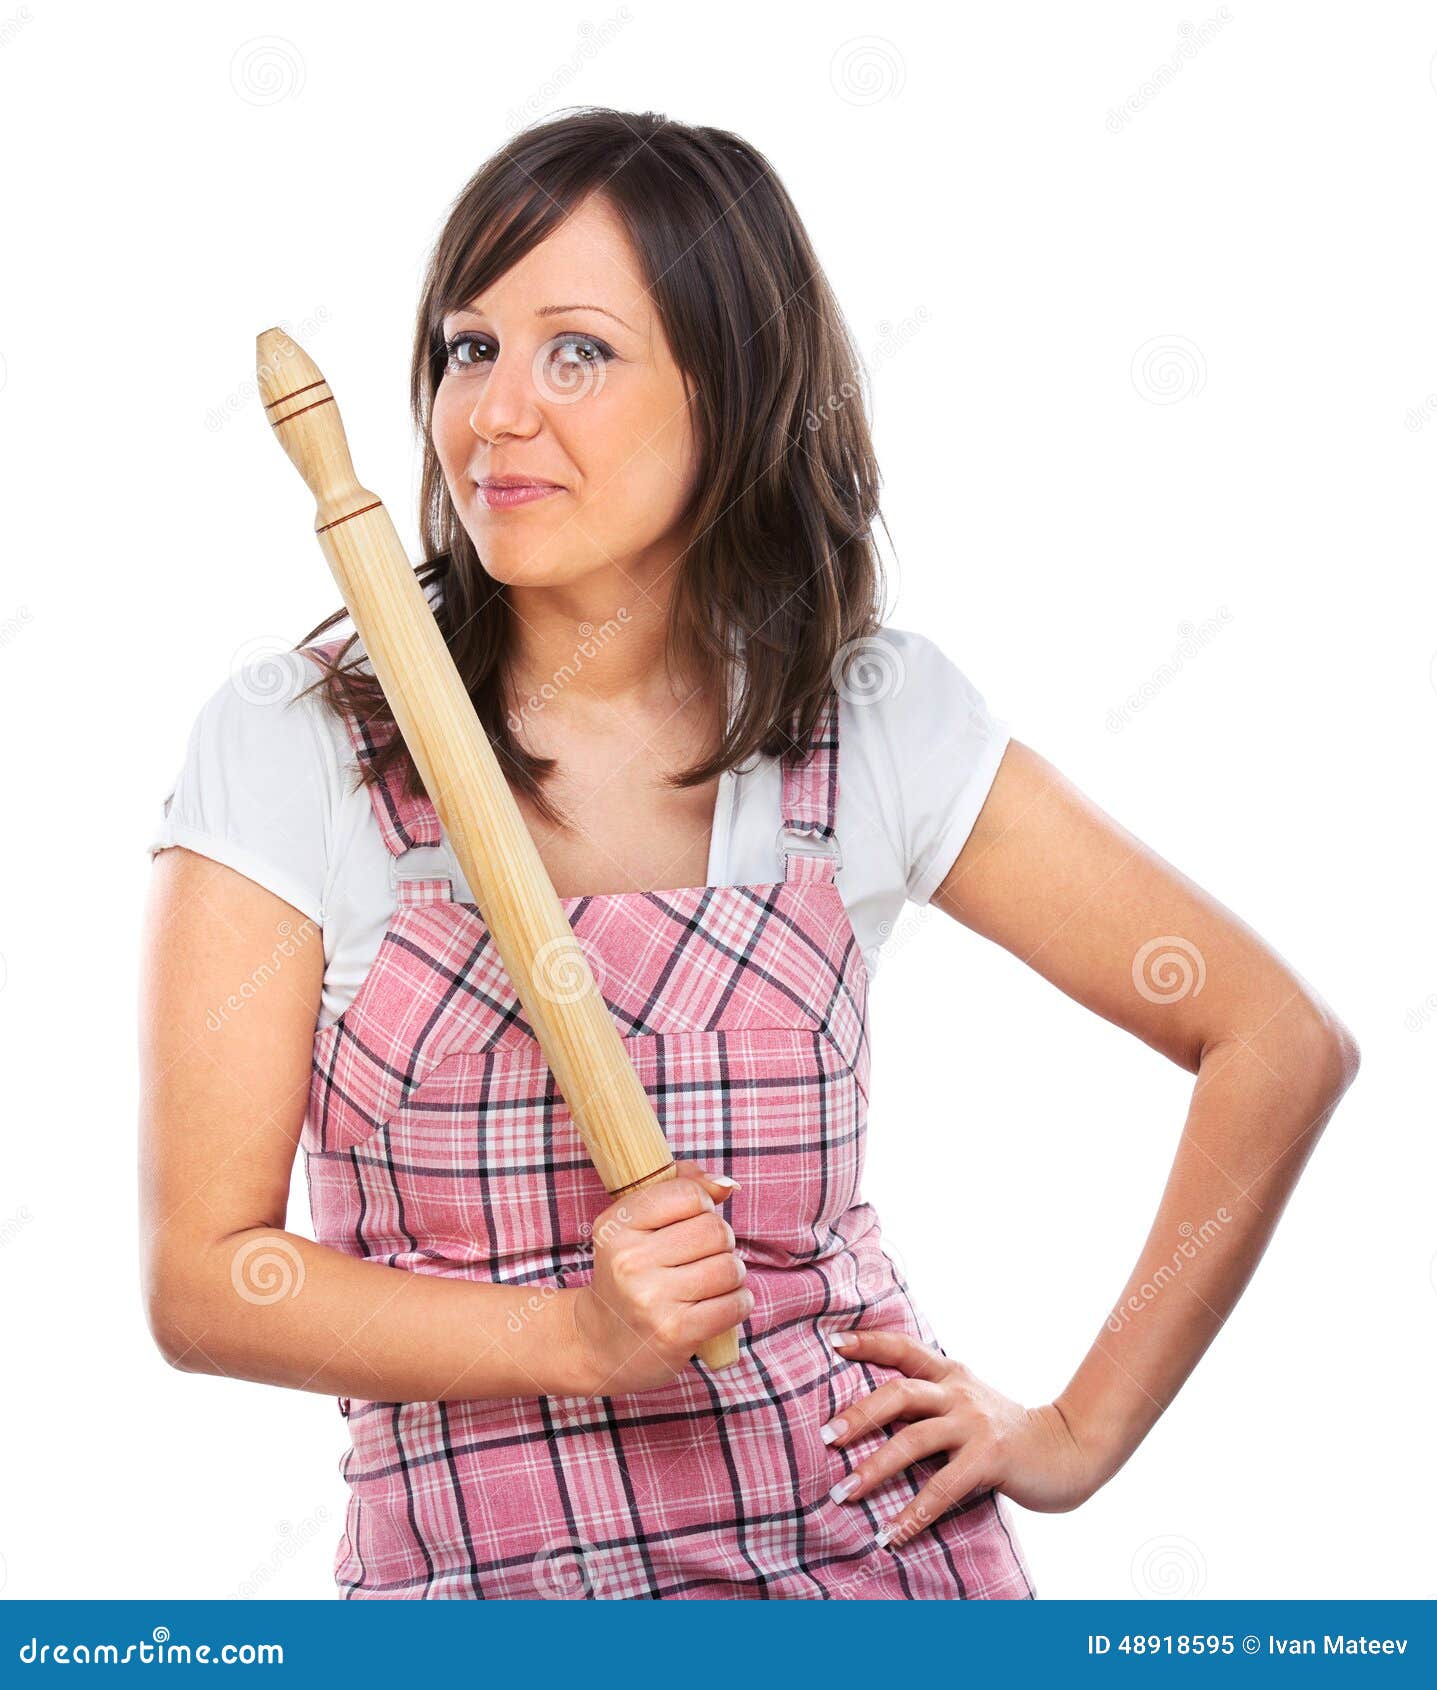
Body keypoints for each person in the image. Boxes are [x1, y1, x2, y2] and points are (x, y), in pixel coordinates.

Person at [139, 108, 1359, 1601]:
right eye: (469, 347)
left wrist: (1071, 1432)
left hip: (871, 1578)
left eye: (576, 350)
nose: (495, 415)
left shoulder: (867, 720)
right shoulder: (297, 743)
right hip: (479, 1599)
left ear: (729, 390)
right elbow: (207, 1279)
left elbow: (1270, 1037)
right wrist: (570, 1338)